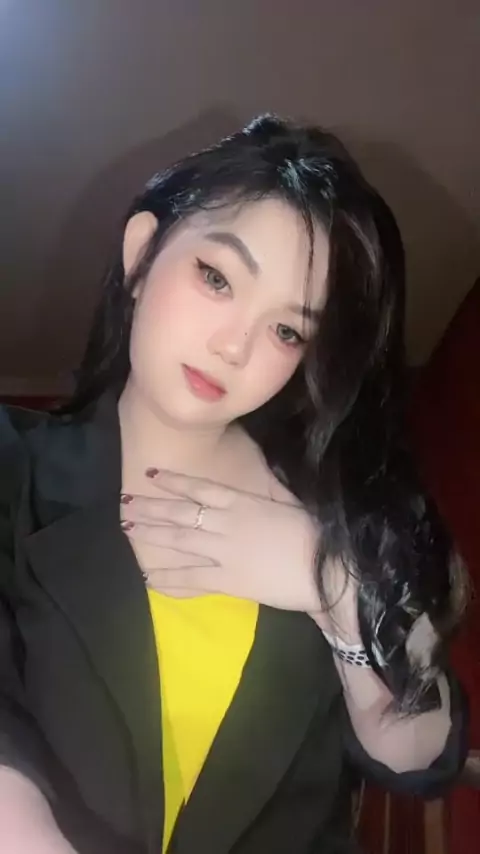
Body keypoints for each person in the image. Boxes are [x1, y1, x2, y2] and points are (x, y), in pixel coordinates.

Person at [0, 115, 469, 854]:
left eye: (288, 331)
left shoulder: (344, 516)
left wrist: (334, 585)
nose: (235, 345)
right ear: (141, 255)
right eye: (217, 278)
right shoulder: (14, 464)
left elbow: (420, 758)